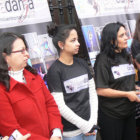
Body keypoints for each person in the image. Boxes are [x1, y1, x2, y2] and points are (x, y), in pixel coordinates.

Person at [0, 32, 63, 140]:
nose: (27, 55)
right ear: (5, 56)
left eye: (26, 49)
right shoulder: (2, 89)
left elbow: (51, 105)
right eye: (21, 51)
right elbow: (11, 130)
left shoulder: (34, 77)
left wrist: (56, 133)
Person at [46, 24, 98, 140]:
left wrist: (92, 121)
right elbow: (59, 105)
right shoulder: (55, 71)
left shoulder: (82, 64)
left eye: (77, 40)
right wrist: (84, 125)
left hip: (90, 125)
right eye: (73, 40)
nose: (78, 43)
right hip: (71, 132)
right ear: (61, 44)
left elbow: (92, 93)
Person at [94, 22, 140, 140]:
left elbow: (124, 82)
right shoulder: (103, 60)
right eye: (121, 35)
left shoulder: (126, 56)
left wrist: (135, 89)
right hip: (112, 115)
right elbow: (101, 90)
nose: (126, 38)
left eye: (125, 34)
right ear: (111, 40)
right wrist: (126, 94)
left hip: (129, 112)